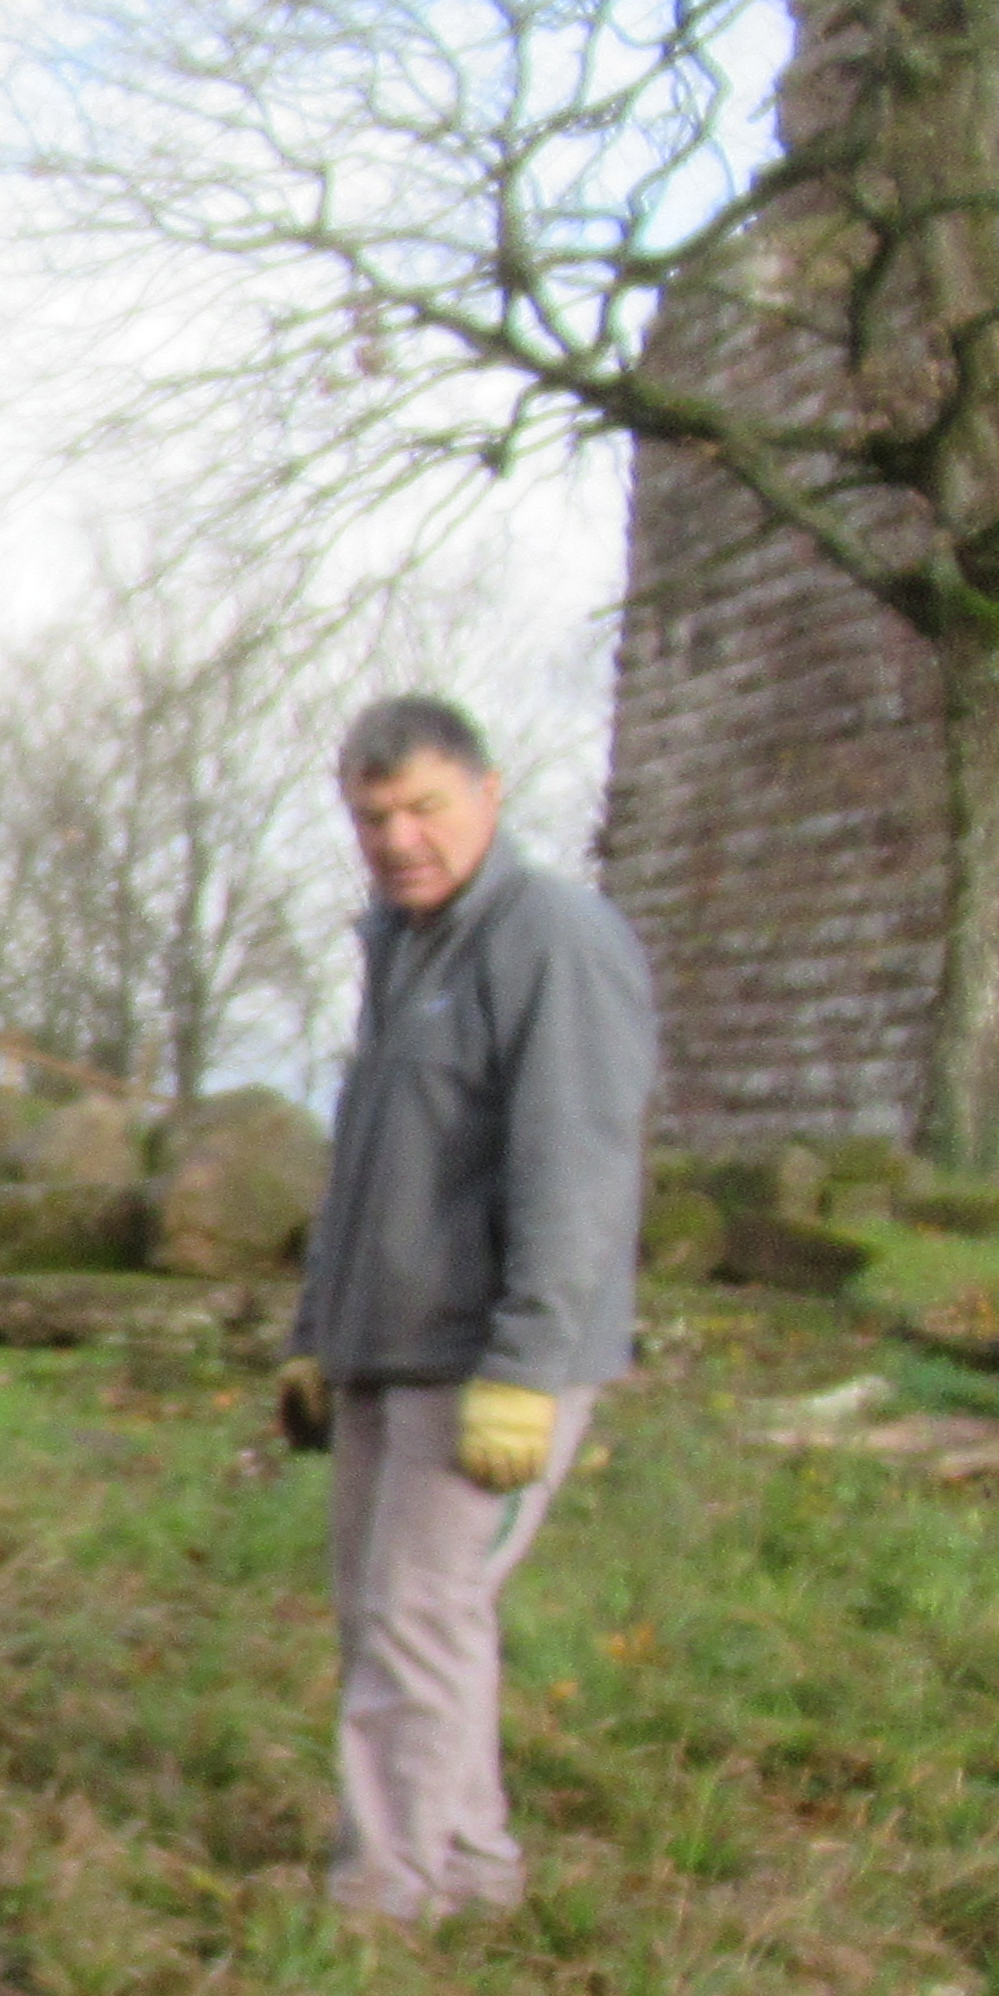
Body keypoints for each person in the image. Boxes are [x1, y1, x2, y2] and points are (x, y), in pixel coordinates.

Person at [275, 693, 656, 1925]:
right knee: (395, 1621)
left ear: (488, 795)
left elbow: (578, 1173)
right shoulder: (401, 948)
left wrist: (528, 1369)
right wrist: (314, 1338)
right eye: (372, 817)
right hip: (384, 1350)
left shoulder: (553, 938)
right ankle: (472, 1878)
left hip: (488, 1363)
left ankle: (384, 1905)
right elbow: (366, 1168)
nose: (398, 839)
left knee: (418, 1618)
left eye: (425, 807)